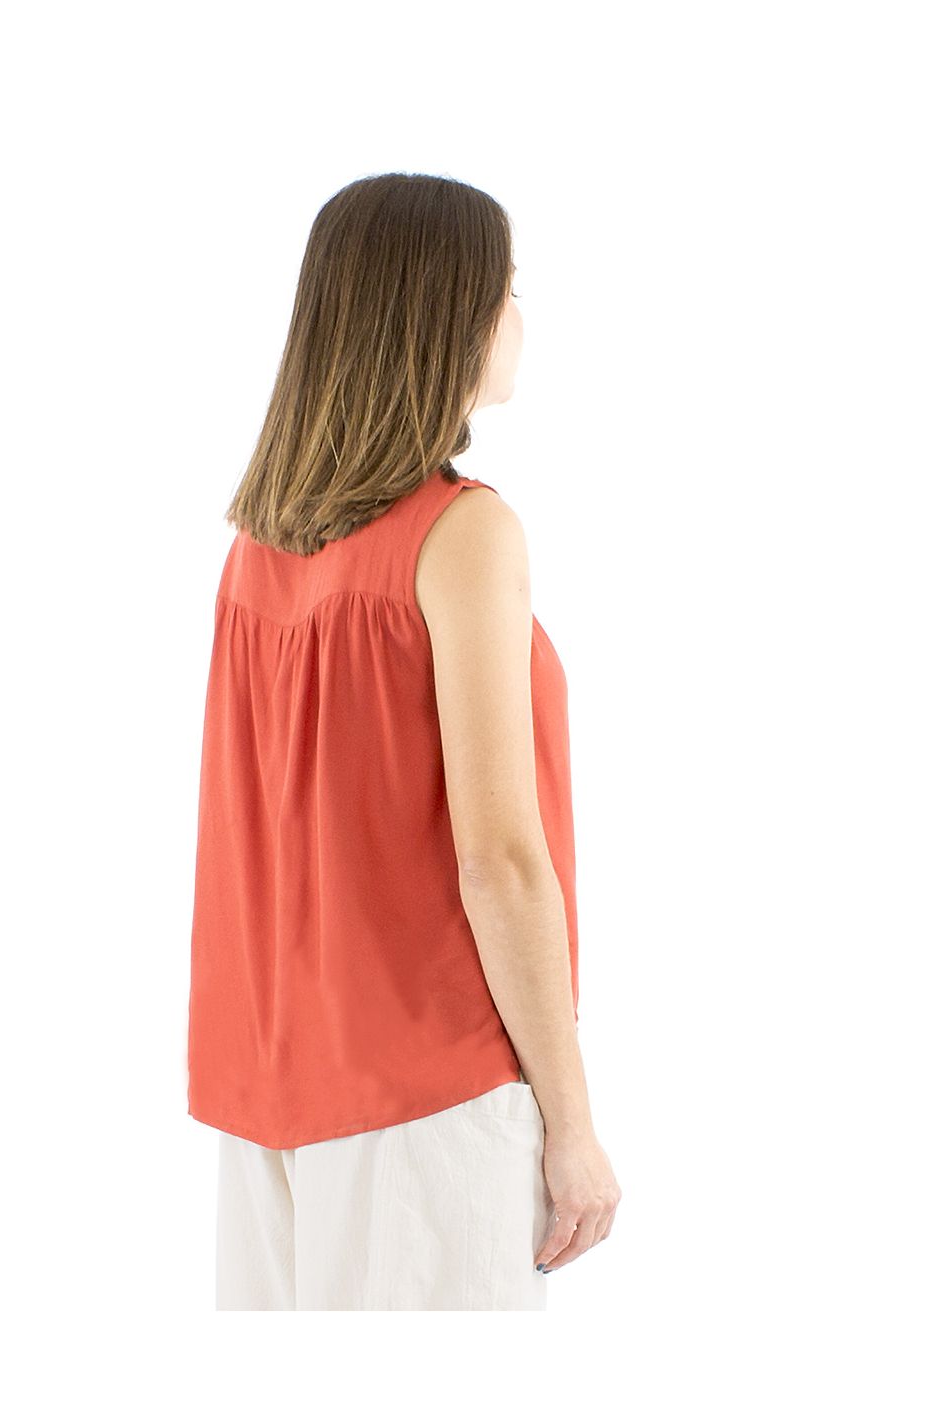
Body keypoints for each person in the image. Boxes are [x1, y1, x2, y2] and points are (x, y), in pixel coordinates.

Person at [187, 172, 621, 1310]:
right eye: (506, 288)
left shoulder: (260, 544)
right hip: (430, 1101)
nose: (519, 314)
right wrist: (572, 1123)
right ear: (447, 315)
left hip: (271, 1095)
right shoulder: (463, 533)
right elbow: (501, 860)